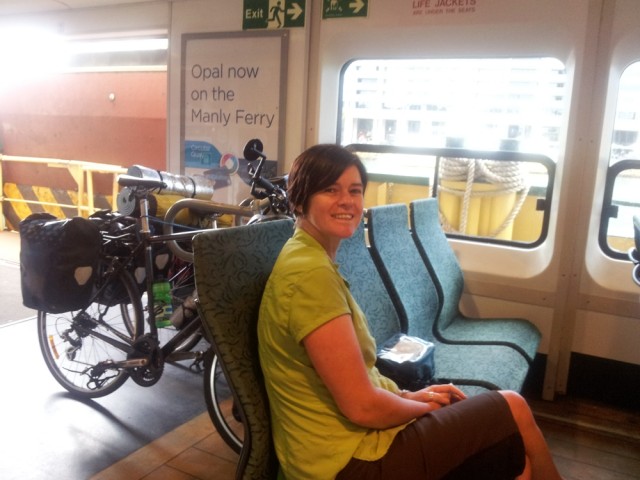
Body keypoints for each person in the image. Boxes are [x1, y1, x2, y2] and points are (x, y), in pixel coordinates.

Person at [257, 144, 563, 480]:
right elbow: (362, 406)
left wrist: (407, 395)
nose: (347, 201)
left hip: (348, 444)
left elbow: (359, 378)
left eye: (355, 191)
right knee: (512, 406)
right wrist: (423, 408)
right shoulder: (309, 277)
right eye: (330, 190)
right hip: (344, 463)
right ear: (300, 200)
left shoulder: (311, 260)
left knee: (512, 458)